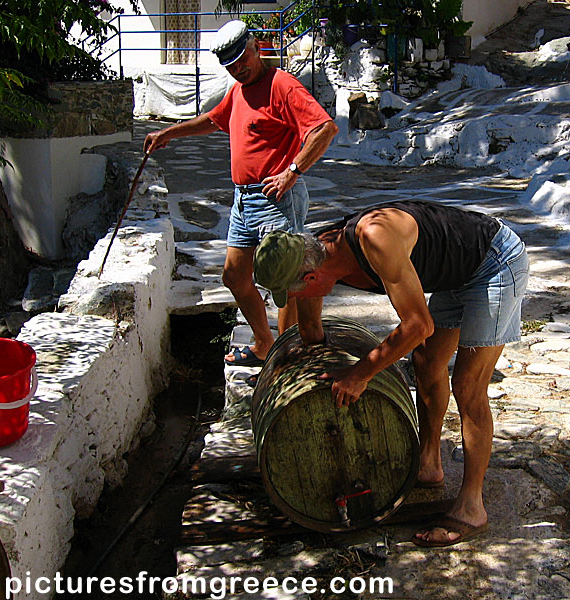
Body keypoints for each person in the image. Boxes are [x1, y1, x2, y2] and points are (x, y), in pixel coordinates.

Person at [252, 200, 529, 547]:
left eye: (293, 293)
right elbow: (310, 329)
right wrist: (304, 370)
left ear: (310, 277)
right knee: (426, 363)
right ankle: (429, 465)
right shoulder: (312, 251)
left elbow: (418, 325)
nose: (293, 299)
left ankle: (472, 507)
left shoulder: (375, 238)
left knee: (468, 386)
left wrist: (360, 373)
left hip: (493, 263)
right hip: (457, 269)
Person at [143, 20, 338, 367]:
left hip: (276, 200)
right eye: (230, 66)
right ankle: (265, 343)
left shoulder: (282, 85)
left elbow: (324, 128)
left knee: (289, 282)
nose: (238, 69)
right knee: (234, 277)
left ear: (256, 47)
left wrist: (292, 172)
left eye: (242, 60)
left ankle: (286, 357)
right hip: (243, 202)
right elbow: (213, 120)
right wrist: (168, 134)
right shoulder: (238, 91)